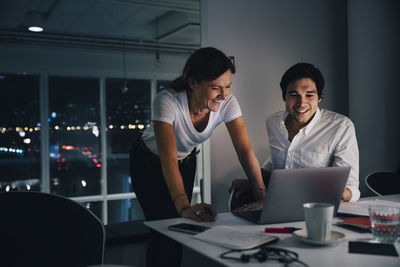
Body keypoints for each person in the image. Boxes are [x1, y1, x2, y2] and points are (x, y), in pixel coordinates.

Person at [130, 47, 265, 267]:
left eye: (228, 87)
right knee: (163, 227)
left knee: (180, 226)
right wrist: (184, 206)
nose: (223, 95)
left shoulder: (227, 103)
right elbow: (167, 158)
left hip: (186, 160)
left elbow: (244, 149)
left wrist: (262, 196)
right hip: (148, 162)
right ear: (192, 83)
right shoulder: (167, 100)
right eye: (215, 88)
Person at [230, 62, 360, 209]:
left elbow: (351, 186)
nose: (301, 103)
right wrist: (253, 181)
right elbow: (277, 162)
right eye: (294, 94)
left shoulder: (341, 127)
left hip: (318, 208)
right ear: (284, 97)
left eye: (309, 95)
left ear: (319, 97)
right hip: (278, 204)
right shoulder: (273, 123)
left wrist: (344, 193)